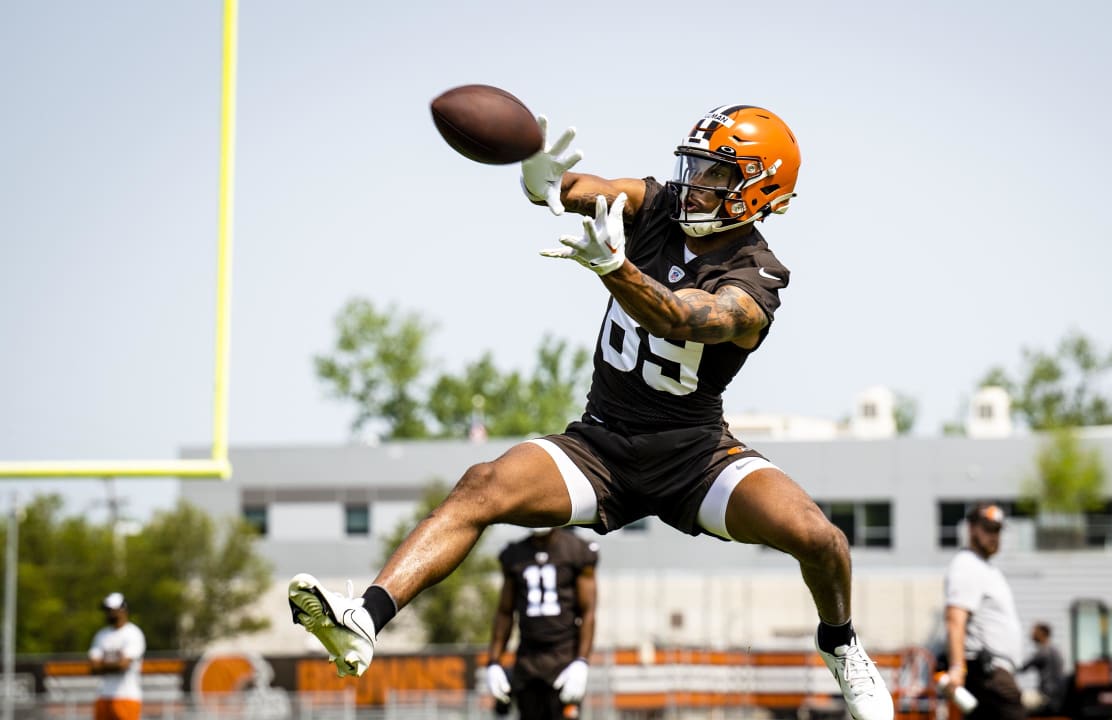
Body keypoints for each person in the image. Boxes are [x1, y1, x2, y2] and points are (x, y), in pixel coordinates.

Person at [287, 103, 894, 720]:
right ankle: (364, 616)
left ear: (754, 191)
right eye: (695, 167)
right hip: (601, 446)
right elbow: (582, 190)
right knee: (482, 485)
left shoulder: (757, 273)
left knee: (820, 538)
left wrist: (614, 267)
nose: (693, 184)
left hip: (695, 457)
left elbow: (684, 318)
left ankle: (841, 646)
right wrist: (538, 174)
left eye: (713, 175)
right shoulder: (658, 206)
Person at [485, 527, 599, 720]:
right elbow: (505, 612)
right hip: (527, 662)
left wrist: (581, 661)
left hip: (563, 662)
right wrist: (494, 662)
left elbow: (588, 612)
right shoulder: (515, 554)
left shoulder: (577, 550)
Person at [942, 503, 1026, 720]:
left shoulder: (985, 568)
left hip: (994, 674)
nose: (994, 536)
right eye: (988, 528)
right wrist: (957, 668)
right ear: (971, 528)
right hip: (988, 674)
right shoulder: (966, 564)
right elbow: (955, 618)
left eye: (997, 530)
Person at [87, 592, 147, 720]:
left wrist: (103, 664)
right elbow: (93, 668)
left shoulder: (133, 633)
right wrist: (116, 663)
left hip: (127, 697)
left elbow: (123, 665)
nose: (108, 613)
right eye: (107, 610)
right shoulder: (101, 635)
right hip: (103, 696)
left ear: (123, 609)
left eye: (111, 610)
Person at [1019, 622, 1065, 716]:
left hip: (1045, 697)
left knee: (1014, 702)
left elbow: (1022, 667)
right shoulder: (1055, 650)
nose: (1031, 634)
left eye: (1035, 631)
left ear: (1042, 633)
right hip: (1057, 696)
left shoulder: (1042, 652)